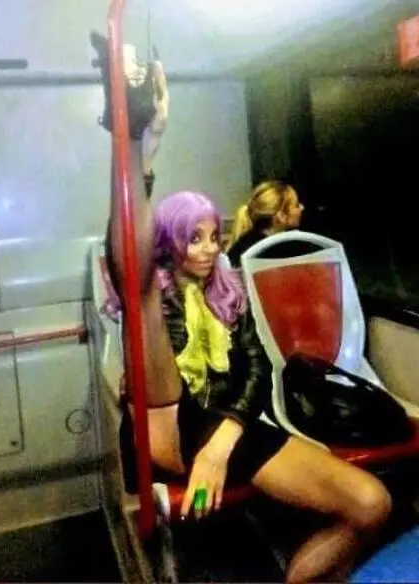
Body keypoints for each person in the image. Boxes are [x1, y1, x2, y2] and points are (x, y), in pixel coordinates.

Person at [93, 37, 392, 583]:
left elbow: (256, 370)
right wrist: (141, 146)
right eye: (193, 238)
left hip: (230, 423)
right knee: (142, 299)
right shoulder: (157, 292)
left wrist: (222, 441)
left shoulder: (230, 292)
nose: (208, 249)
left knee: (373, 504)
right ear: (169, 242)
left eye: (214, 236)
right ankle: (127, 135)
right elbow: (129, 269)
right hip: (169, 422)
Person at [226, 181, 304, 268]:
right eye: (296, 205)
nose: (302, 207)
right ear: (281, 216)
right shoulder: (279, 251)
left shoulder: (246, 241)